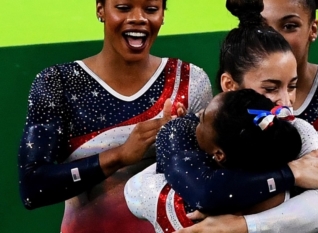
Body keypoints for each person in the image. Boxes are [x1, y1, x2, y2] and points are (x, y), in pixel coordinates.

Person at [159, 0, 318, 232]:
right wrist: (291, 174)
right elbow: (199, 190)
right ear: (229, 85)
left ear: (313, 28)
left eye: (290, 26)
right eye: (263, 27)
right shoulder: (218, 123)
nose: (274, 38)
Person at [125, 1, 318, 232]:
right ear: (230, 85)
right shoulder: (184, 131)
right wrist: (292, 174)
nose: (286, 102)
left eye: (291, 86)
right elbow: (204, 193)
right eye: (270, 88)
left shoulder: (295, 129)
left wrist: (243, 225)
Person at [17, 0, 213, 232]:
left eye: (151, 9)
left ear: (162, 15)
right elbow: (33, 188)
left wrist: (181, 140)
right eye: (123, 7)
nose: (138, 18)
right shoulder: (57, 83)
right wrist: (120, 155)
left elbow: (212, 176)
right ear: (100, 9)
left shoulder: (189, 82)